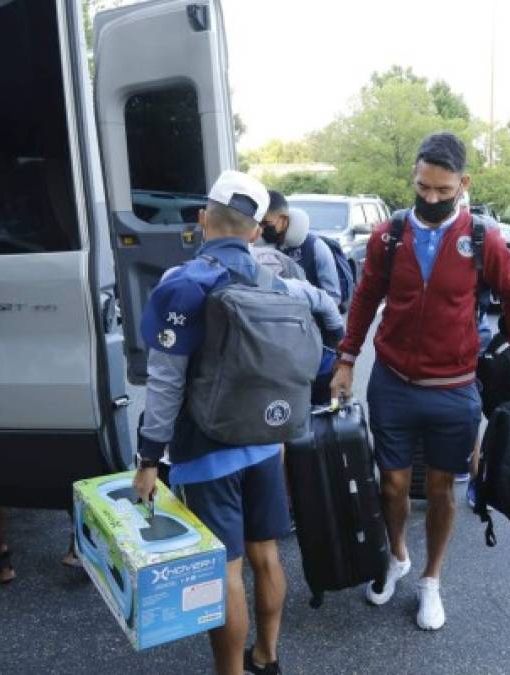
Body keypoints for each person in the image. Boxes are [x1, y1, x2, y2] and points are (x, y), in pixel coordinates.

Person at [133, 170, 341, 675]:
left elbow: (164, 384)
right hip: (268, 443)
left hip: (206, 449)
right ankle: (267, 657)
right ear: (254, 230)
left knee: (223, 568)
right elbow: (331, 313)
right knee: (266, 553)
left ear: (204, 219)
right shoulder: (279, 282)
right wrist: (332, 358)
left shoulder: (180, 285)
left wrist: (147, 458)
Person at [330, 132, 510, 631]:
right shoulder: (389, 235)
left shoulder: (484, 239)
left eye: (443, 191)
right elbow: (363, 299)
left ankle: (431, 580)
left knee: (442, 490)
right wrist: (346, 359)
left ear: (463, 183)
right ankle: (398, 556)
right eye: (423, 188)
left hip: (455, 387)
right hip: (394, 382)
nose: (431, 199)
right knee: (393, 486)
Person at [260, 190, 341, 305]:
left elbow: (333, 297)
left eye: (266, 223)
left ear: (284, 218)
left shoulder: (315, 248)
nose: (262, 228)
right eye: (259, 223)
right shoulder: (260, 246)